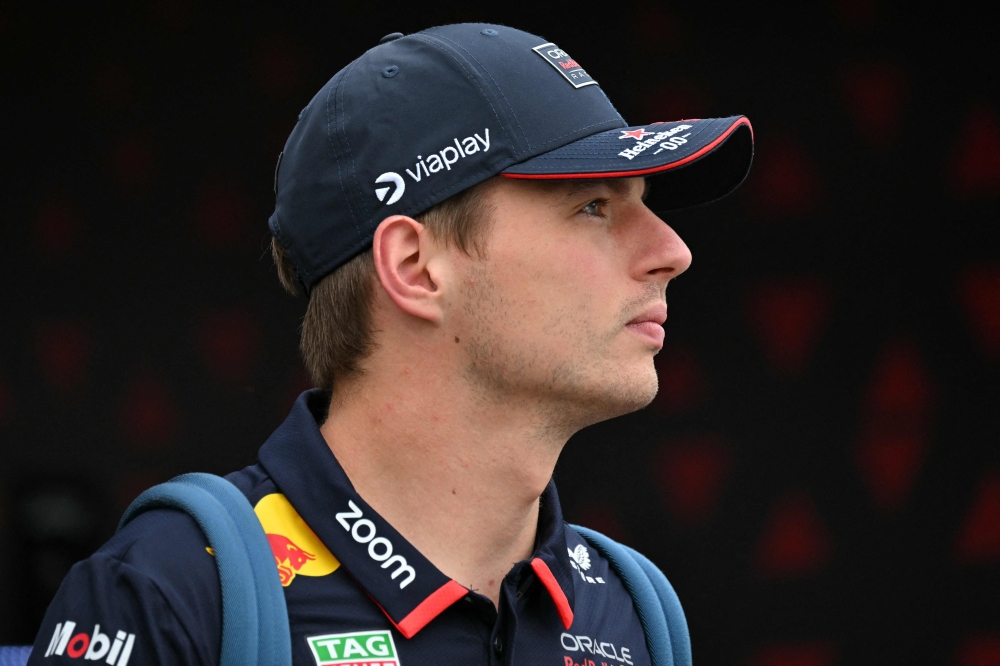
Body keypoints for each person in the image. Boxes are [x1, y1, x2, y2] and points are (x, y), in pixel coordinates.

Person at [28, 23, 752, 666]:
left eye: (644, 205)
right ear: (414, 268)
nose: (672, 250)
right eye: (593, 206)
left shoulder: (634, 610)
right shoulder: (175, 588)